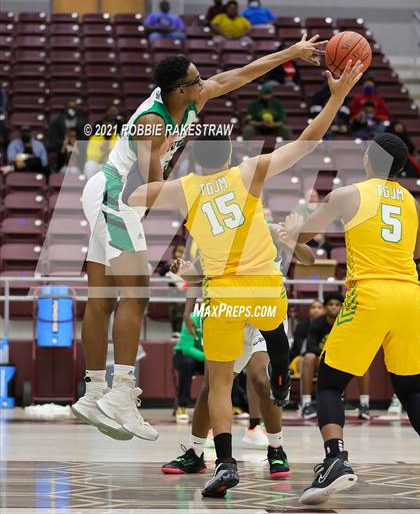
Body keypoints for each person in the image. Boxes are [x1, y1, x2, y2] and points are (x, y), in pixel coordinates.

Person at [72, 36, 328, 443]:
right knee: (135, 295)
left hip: (112, 198)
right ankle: (120, 392)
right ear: (178, 90)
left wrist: (290, 53)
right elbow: (152, 184)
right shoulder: (152, 124)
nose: (204, 81)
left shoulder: (193, 98)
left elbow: (240, 75)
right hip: (116, 197)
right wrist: (195, 203)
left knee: (102, 298)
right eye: (195, 79)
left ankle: (92, 393)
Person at [128, 59, 364, 497]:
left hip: (222, 294)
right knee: (273, 329)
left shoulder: (185, 190)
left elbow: (136, 194)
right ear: (232, 155)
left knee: (217, 383)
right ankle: (281, 368)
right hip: (263, 287)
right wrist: (336, 97)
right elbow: (308, 143)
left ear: (192, 164)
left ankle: (227, 462)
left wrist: (155, 152)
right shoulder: (247, 172)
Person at [289, 133, 420, 505]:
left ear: (369, 158)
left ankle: (335, 461)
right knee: (411, 390)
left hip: (371, 293)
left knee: (329, 383)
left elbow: (306, 235)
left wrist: (290, 231)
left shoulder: (349, 194)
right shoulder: (410, 201)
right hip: (411, 295)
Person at [163, 224, 314, 478]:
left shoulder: (268, 230)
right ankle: (195, 452)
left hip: (262, 315)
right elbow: (198, 276)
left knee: (260, 379)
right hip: (230, 313)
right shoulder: (218, 235)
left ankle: (276, 449)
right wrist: (185, 275)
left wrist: (292, 242)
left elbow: (309, 259)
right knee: (212, 386)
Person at [173, 310, 205, 423]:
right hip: (185, 354)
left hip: (207, 357)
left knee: (229, 363)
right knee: (188, 363)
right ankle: (182, 406)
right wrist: (208, 357)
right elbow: (187, 349)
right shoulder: (192, 317)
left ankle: (235, 405)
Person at [289, 300, 324, 375]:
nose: (316, 310)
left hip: (321, 356)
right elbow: (301, 348)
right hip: (301, 356)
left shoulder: (328, 325)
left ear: (324, 311)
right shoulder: (301, 326)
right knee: (307, 359)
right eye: (313, 307)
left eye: (319, 307)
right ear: (309, 311)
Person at [293, 189, 332, 257]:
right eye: (310, 196)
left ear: (318, 199)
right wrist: (312, 234)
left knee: (330, 249)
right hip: (303, 240)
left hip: (320, 240)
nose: (312, 199)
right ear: (305, 198)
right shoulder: (298, 209)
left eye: (314, 196)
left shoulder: (323, 209)